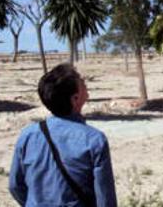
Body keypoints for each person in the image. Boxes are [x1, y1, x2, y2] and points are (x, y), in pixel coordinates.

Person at [8, 63, 117, 207]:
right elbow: (105, 198)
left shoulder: (28, 135)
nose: (85, 83)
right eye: (82, 82)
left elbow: (15, 186)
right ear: (75, 99)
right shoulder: (94, 140)